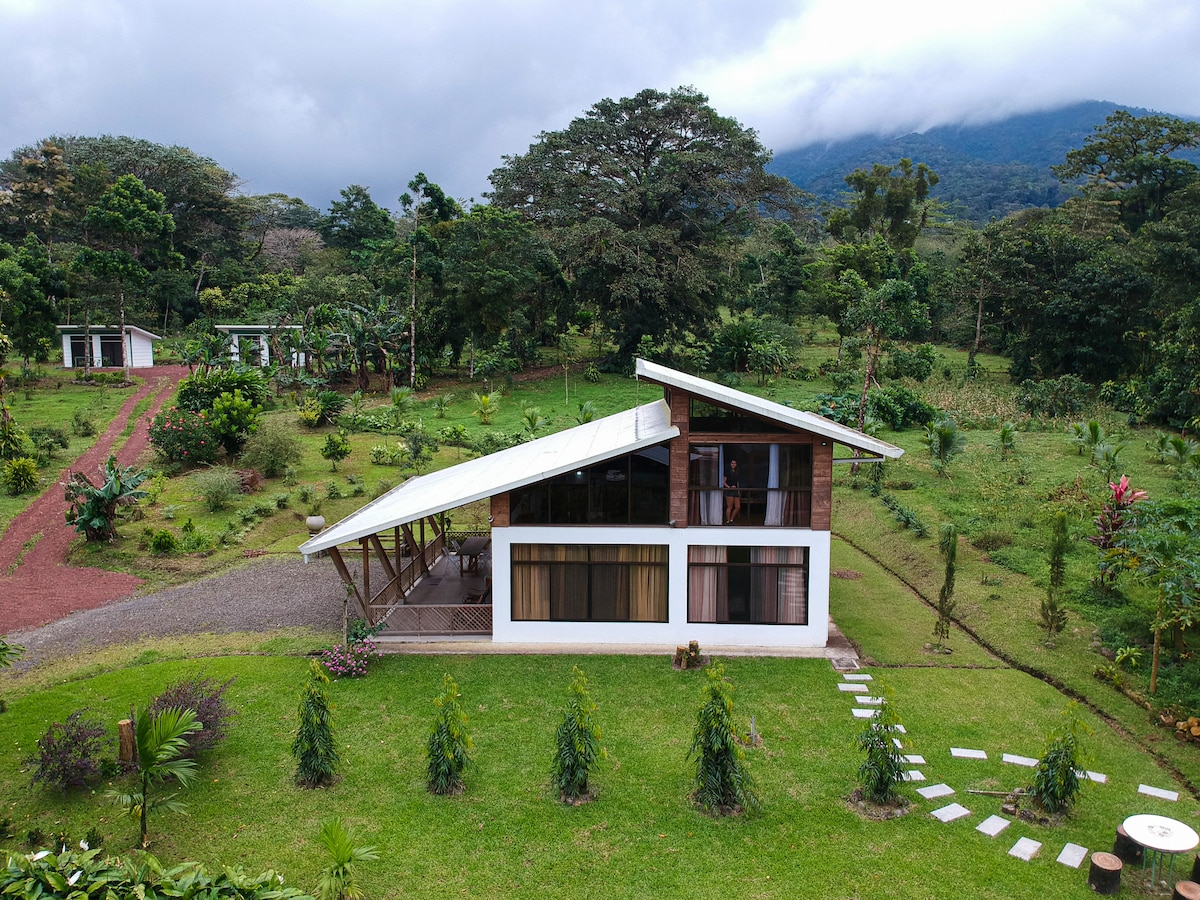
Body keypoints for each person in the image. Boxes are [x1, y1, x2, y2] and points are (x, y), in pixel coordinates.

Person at [723, 457, 742, 524]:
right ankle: (728, 521)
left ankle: (731, 519)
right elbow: (724, 482)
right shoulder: (727, 471)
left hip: (736, 490)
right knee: (730, 506)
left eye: (735, 463)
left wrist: (738, 491)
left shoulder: (737, 472)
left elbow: (737, 482)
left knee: (738, 507)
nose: (733, 464)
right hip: (729, 490)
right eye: (732, 463)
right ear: (730, 464)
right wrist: (729, 487)